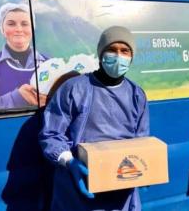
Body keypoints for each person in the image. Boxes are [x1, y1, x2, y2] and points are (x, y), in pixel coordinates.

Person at [39, 26, 150, 211]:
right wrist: (69, 161)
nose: (118, 56)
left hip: (121, 192)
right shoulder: (74, 88)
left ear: (131, 56)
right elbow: (50, 134)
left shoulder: (136, 94)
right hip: (78, 188)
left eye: (125, 51)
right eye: (112, 50)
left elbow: (142, 141)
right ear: (101, 53)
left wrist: (145, 169)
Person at [0, 2, 47, 110]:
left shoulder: (50, 64)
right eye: (11, 24)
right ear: (2, 29)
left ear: (32, 29)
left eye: (25, 24)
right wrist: (18, 97)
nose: (19, 29)